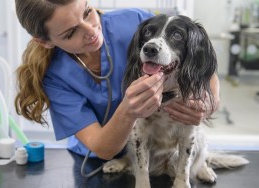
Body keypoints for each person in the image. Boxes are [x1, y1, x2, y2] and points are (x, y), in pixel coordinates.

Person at [14, 0, 220, 160]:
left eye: (87, 12)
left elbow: (199, 59)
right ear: (45, 42)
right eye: (71, 32)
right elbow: (102, 148)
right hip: (98, 161)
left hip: (155, 152)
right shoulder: (54, 77)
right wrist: (128, 111)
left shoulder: (134, 21)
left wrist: (209, 103)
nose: (91, 30)